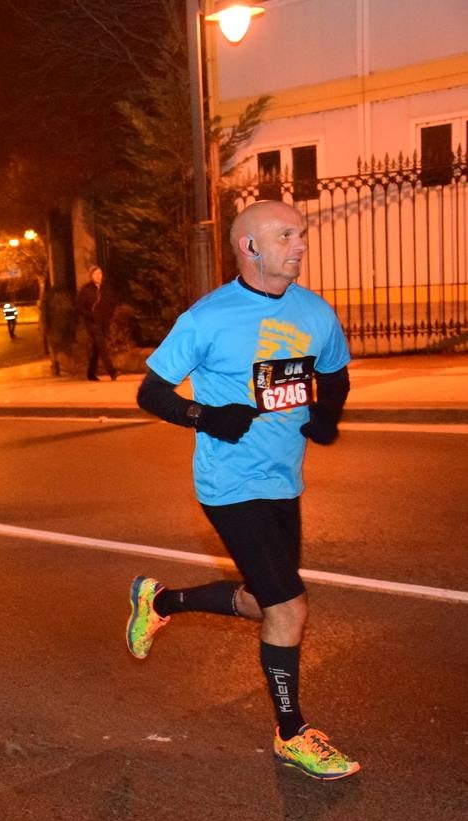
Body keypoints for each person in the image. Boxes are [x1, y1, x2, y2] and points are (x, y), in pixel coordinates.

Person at [128, 199, 358, 780]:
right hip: (230, 484)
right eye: (286, 236)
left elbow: (336, 371)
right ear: (250, 247)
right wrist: (204, 415)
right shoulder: (208, 318)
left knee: (263, 601)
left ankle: (161, 601)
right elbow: (151, 393)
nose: (300, 245)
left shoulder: (314, 312)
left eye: (301, 234)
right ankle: (292, 732)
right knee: (288, 605)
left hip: (284, 480)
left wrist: (328, 413)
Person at [76, 265, 117, 381]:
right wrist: (90, 315)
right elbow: (79, 307)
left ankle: (90, 373)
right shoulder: (86, 290)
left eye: (100, 273)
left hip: (103, 322)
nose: (98, 276)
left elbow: (110, 303)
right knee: (102, 346)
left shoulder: (105, 288)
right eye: (96, 274)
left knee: (96, 348)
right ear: (91, 276)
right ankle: (112, 371)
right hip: (92, 323)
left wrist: (109, 315)